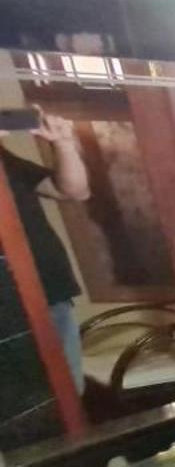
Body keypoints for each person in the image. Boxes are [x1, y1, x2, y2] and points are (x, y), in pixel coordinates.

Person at [0, 110, 90, 392]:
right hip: (7, 303)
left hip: (48, 288)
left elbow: (73, 190)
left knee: (68, 394)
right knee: (23, 403)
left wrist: (63, 144)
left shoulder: (5, 158)